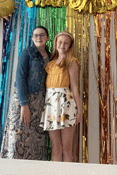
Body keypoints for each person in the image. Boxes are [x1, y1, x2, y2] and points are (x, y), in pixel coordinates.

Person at [0, 26, 50, 160]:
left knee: (36, 139)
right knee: (19, 136)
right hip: (24, 99)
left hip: (40, 101)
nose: (39, 38)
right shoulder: (27, 52)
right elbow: (20, 77)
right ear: (32, 38)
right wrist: (24, 104)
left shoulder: (51, 56)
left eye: (42, 35)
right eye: (36, 35)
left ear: (47, 38)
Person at [40, 31, 82, 162]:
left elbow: (74, 86)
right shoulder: (50, 64)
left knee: (67, 148)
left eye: (66, 43)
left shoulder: (71, 62)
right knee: (56, 148)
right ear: (55, 43)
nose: (62, 45)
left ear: (69, 46)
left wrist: (79, 110)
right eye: (60, 42)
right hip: (51, 106)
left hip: (66, 105)